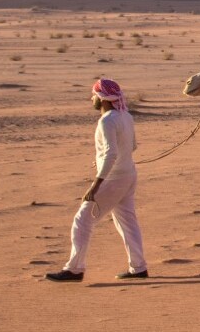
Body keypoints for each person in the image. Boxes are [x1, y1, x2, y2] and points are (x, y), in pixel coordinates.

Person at [46, 79, 148, 282]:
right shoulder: (125, 116)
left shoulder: (107, 120)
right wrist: (107, 161)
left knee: (82, 220)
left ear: (102, 99)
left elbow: (111, 153)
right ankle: (138, 267)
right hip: (128, 175)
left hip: (113, 179)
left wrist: (96, 183)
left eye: (94, 95)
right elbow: (132, 146)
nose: (91, 98)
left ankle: (74, 269)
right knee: (127, 222)